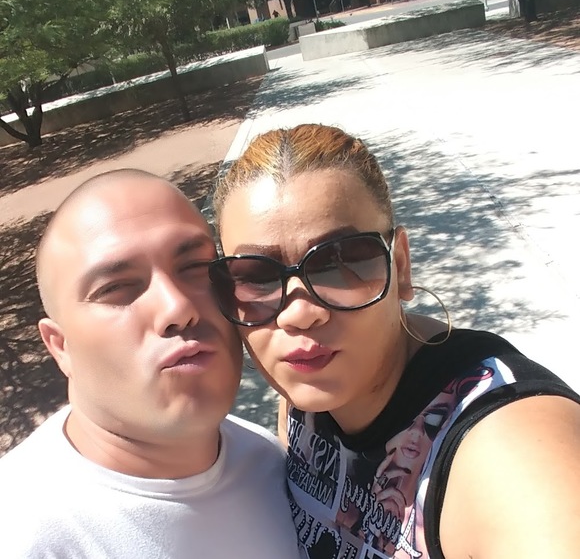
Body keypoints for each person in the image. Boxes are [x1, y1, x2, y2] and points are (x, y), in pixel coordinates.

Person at [208, 124, 580, 559]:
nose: (299, 313)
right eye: (255, 276)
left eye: (339, 261)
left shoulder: (505, 445)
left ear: (400, 266)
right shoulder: (301, 400)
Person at [0, 169, 301, 558]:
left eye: (196, 267)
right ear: (61, 347)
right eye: (116, 288)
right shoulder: (22, 535)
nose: (176, 307)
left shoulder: (270, 465)